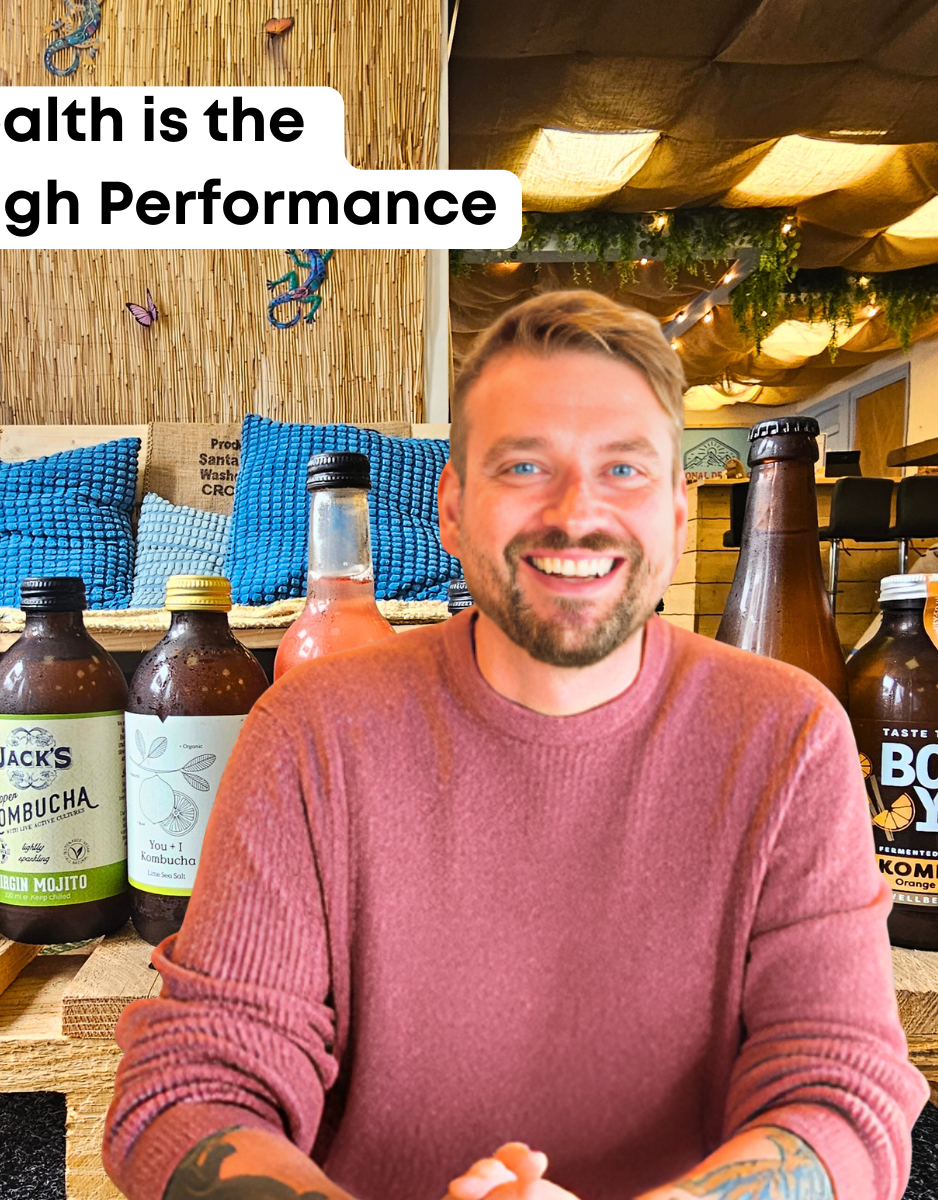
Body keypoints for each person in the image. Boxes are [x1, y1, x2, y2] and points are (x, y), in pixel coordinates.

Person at [105, 291, 928, 1200]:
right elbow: (191, 1089)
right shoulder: (310, 736)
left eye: (624, 469)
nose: (576, 513)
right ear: (453, 510)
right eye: (525, 465)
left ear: (679, 514)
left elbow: (841, 1095)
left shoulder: (791, 737)